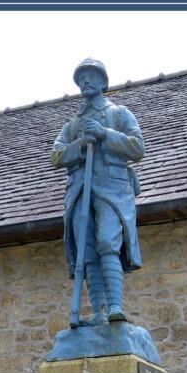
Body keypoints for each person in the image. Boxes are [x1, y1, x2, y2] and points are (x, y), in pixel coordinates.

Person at [52, 58, 145, 326]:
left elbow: (137, 147)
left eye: (92, 76)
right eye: (82, 77)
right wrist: (81, 143)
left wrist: (105, 134)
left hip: (112, 189)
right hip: (80, 190)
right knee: (87, 251)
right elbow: (56, 156)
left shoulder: (119, 114)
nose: (86, 81)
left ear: (104, 82)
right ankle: (98, 312)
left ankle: (115, 306)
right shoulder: (72, 125)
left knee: (107, 243)